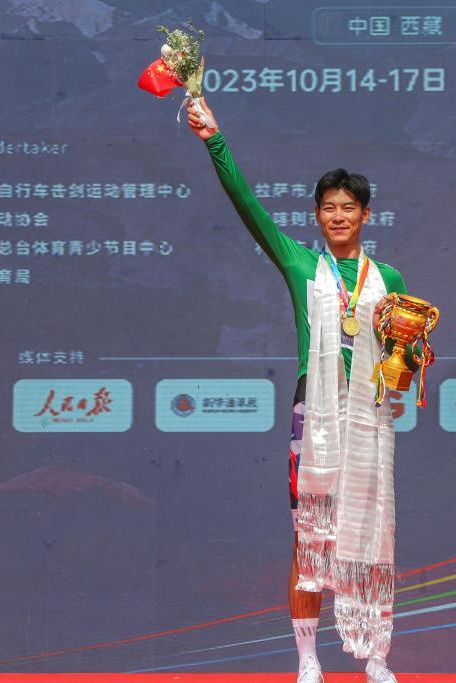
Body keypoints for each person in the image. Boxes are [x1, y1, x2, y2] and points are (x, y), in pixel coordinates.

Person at [187, 98, 406, 683]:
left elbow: (399, 361)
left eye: (348, 207)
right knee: (310, 535)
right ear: (317, 215)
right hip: (315, 413)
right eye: (328, 208)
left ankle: (375, 655)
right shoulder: (300, 264)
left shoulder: (390, 280)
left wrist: (406, 369)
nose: (338, 216)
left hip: (368, 415)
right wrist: (215, 140)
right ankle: (308, 658)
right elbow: (248, 207)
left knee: (370, 533)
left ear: (366, 215)